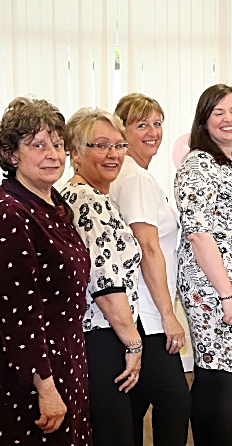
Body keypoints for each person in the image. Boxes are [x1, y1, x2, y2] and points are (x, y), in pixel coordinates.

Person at [175, 84, 232, 446]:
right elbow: (198, 233)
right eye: (219, 113)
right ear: (204, 121)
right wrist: (227, 294)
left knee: (216, 375)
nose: (229, 119)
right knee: (227, 378)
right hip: (213, 287)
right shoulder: (199, 162)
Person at [0, 97, 92, 445]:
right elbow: (17, 312)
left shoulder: (53, 203)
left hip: (67, 354)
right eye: (38, 145)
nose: (53, 154)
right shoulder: (10, 211)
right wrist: (46, 386)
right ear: (12, 155)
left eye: (58, 144)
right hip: (33, 370)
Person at [111, 93, 191, 446]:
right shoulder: (136, 179)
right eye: (141, 124)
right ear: (121, 130)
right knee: (175, 401)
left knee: (135, 402)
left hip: (136, 312)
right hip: (146, 315)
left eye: (157, 123)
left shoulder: (130, 174)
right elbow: (147, 248)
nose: (152, 132)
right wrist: (168, 315)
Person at [62, 108, 143, 446]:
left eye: (119, 145)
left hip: (99, 336)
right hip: (103, 337)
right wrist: (133, 342)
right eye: (101, 145)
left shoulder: (79, 196)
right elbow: (106, 284)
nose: (113, 154)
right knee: (114, 433)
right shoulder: (87, 202)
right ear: (76, 154)